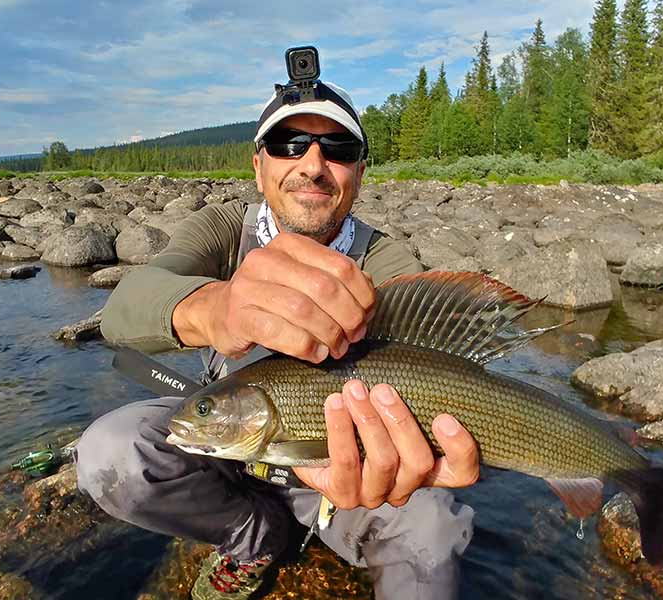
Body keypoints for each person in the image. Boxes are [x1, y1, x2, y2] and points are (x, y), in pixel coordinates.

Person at [75, 68, 480, 600]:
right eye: (288, 144)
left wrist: (400, 465)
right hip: (229, 448)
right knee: (110, 452)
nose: (312, 165)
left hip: (339, 468)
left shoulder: (387, 265)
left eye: (336, 148)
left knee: (434, 529)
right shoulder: (220, 230)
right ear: (258, 165)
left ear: (360, 170)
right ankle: (254, 536)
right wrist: (217, 309)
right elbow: (123, 311)